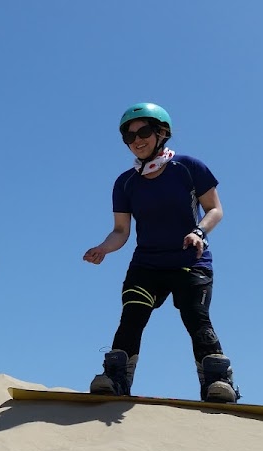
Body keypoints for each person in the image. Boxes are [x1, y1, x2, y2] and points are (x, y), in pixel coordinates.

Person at [82, 103, 238, 402]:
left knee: (196, 316)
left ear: (161, 133)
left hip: (190, 262)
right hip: (147, 265)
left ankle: (218, 382)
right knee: (132, 316)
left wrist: (199, 232)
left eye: (143, 132)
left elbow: (214, 209)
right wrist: (103, 248)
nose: (136, 140)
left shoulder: (189, 167)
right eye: (128, 137)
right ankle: (116, 377)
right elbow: (121, 231)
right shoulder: (125, 182)